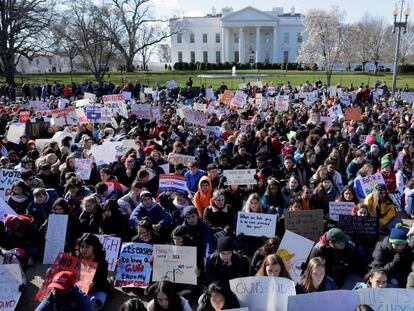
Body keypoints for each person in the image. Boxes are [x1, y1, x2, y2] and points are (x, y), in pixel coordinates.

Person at [76, 233, 110, 310]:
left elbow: (101, 283)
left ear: (95, 247)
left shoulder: (102, 263)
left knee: (94, 305)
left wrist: (92, 286)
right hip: (78, 289)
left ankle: (110, 284)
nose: (84, 249)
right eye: (82, 246)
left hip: (98, 289)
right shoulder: (77, 259)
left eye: (87, 247)